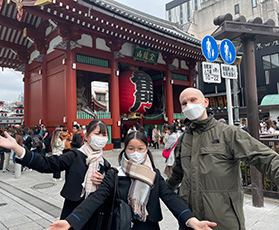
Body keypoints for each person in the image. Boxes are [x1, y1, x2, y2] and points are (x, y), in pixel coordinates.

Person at [48, 131, 217, 230]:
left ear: (146, 150)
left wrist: (192, 221)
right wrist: (70, 222)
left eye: (140, 148)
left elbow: (171, 198)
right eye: (131, 148)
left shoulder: (154, 174)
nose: (135, 152)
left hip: (149, 226)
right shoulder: (114, 174)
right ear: (125, 150)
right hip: (121, 225)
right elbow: (95, 198)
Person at [166, 87, 279, 230]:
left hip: (223, 220)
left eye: (193, 100)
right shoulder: (183, 140)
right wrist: (155, 189)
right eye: (184, 103)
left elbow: (265, 158)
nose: (189, 105)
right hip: (191, 221)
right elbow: (176, 175)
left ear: (205, 102)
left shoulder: (229, 133)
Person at [0, 119, 111, 225]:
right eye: (97, 133)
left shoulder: (104, 163)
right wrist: (17, 148)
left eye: (104, 134)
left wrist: (105, 181)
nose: (101, 138)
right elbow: (47, 164)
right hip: (74, 210)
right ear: (88, 136)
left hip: (96, 214)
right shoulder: (75, 156)